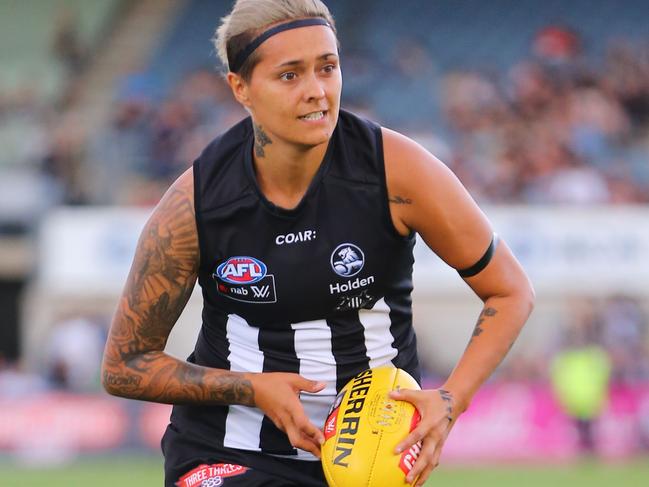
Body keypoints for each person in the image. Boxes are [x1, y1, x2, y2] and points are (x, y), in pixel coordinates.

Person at [101, 1, 535, 486]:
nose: (317, 91)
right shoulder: (194, 205)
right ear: (240, 88)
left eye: (327, 68)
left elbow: (510, 290)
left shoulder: (399, 173)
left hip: (370, 460)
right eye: (290, 76)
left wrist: (450, 401)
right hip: (226, 451)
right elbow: (125, 364)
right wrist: (250, 388)